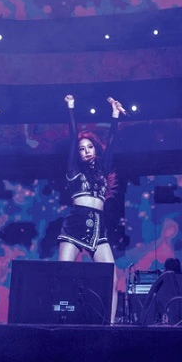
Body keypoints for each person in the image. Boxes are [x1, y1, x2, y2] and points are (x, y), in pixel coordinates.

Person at [57, 94, 123, 324]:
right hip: (75, 224)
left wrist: (114, 115)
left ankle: (110, 327)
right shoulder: (74, 170)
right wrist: (71, 107)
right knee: (63, 276)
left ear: (95, 149)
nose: (86, 151)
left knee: (112, 280)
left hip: (98, 228)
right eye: (82, 149)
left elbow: (111, 143)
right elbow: (73, 136)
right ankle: (61, 324)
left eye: (90, 147)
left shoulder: (103, 171)